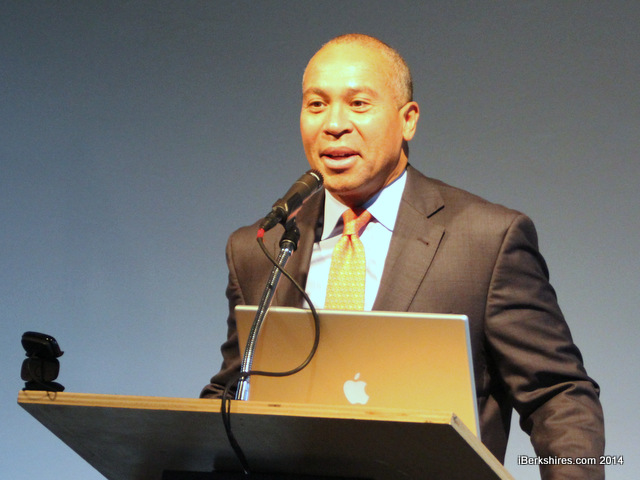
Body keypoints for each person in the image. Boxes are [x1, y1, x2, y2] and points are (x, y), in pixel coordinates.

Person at [201, 33, 605, 479]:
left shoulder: (486, 241)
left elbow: (559, 396)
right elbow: (233, 392)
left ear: (408, 119)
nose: (334, 124)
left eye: (358, 104)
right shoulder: (260, 249)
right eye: (316, 104)